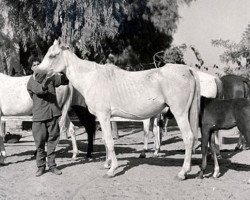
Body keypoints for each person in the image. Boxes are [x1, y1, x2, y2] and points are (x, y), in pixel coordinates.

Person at [27, 61, 69, 177]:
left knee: (53, 141)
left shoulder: (50, 76)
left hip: (53, 114)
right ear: (31, 68)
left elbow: (65, 81)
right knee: (39, 143)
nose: (37, 66)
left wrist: (63, 70)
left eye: (39, 64)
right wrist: (49, 80)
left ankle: (52, 166)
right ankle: (41, 167)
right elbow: (40, 90)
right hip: (39, 117)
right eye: (34, 65)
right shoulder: (31, 81)